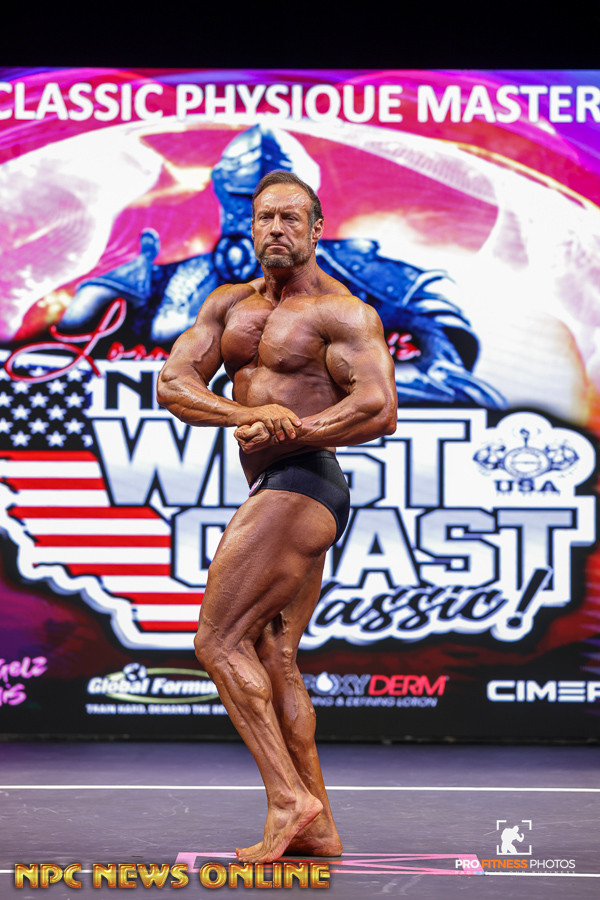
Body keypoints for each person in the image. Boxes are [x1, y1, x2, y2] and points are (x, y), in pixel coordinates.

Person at [157, 170, 397, 864]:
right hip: (281, 481)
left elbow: (378, 408)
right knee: (274, 656)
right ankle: (317, 827)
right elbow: (174, 382)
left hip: (305, 482)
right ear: (250, 225)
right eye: (266, 218)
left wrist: (293, 428)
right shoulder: (227, 305)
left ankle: (288, 799)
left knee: (217, 642)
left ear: (317, 229)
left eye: (292, 218)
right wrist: (246, 412)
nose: (277, 230)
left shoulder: (342, 313)